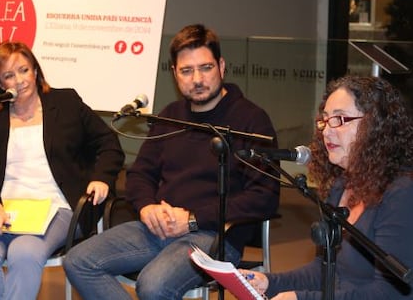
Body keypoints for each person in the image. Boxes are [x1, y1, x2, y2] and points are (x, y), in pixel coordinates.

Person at [63, 23, 280, 299]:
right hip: (158, 227)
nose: (197, 79)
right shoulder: (170, 116)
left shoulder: (250, 120)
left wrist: (192, 219)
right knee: (79, 261)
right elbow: (140, 174)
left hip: (215, 234)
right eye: (187, 71)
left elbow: (264, 197)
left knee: (153, 286)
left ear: (222, 66)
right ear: (175, 74)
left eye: (206, 68)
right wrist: (147, 208)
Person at [240, 75, 413, 300]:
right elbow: (323, 270)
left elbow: (393, 294)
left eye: (340, 119)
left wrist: (302, 298)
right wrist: (270, 282)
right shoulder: (341, 186)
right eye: (324, 120)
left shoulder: (401, 193)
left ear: (375, 125)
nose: (327, 131)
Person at [0, 41, 125, 300]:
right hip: (8, 211)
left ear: (36, 70)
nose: (20, 80)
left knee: (24, 251)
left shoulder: (65, 102)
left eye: (24, 70)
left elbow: (109, 143)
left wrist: (102, 178)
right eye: (9, 75)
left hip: (57, 207)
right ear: (1, 84)